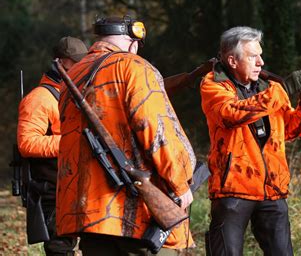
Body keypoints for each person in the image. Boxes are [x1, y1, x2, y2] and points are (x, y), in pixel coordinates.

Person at [56, 16, 196, 256]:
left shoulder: (73, 75)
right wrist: (179, 182)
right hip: (134, 215)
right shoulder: (133, 67)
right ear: (133, 43)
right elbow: (158, 131)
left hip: (87, 214)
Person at [200, 26, 301, 255]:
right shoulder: (213, 84)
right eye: (253, 56)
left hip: (272, 189)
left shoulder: (270, 87)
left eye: (260, 55)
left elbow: (288, 131)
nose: (261, 62)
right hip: (233, 189)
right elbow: (230, 114)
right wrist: (284, 89)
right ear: (232, 61)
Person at [17, 36, 87, 255]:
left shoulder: (71, 93)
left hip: (71, 184)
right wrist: (72, 141)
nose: (81, 66)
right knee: (59, 247)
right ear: (61, 62)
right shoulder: (39, 98)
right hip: (52, 189)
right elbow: (26, 143)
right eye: (76, 61)